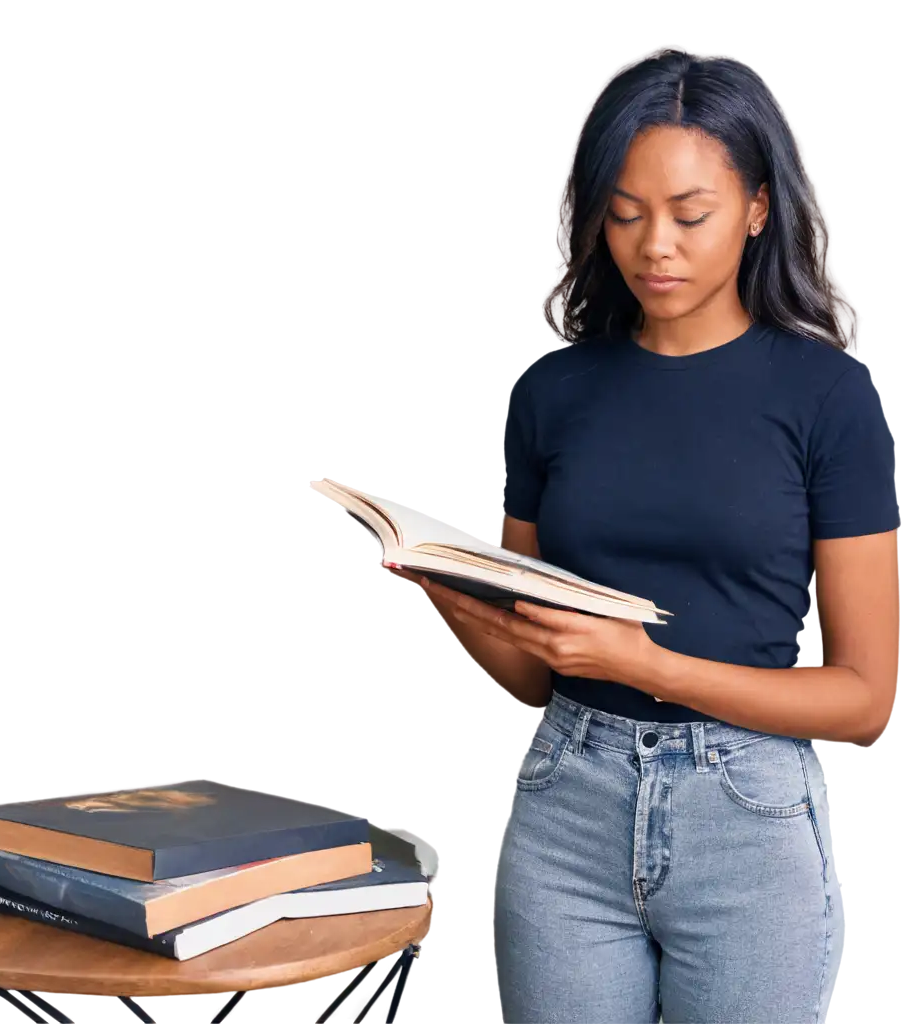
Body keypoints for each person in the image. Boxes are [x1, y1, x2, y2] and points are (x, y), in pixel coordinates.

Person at [385, 50, 900, 1024]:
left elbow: (865, 695)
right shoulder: (551, 394)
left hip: (746, 813)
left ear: (754, 209)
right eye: (624, 213)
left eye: (688, 214)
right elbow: (536, 672)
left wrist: (649, 664)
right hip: (566, 803)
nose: (652, 245)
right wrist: (447, 593)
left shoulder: (828, 399)